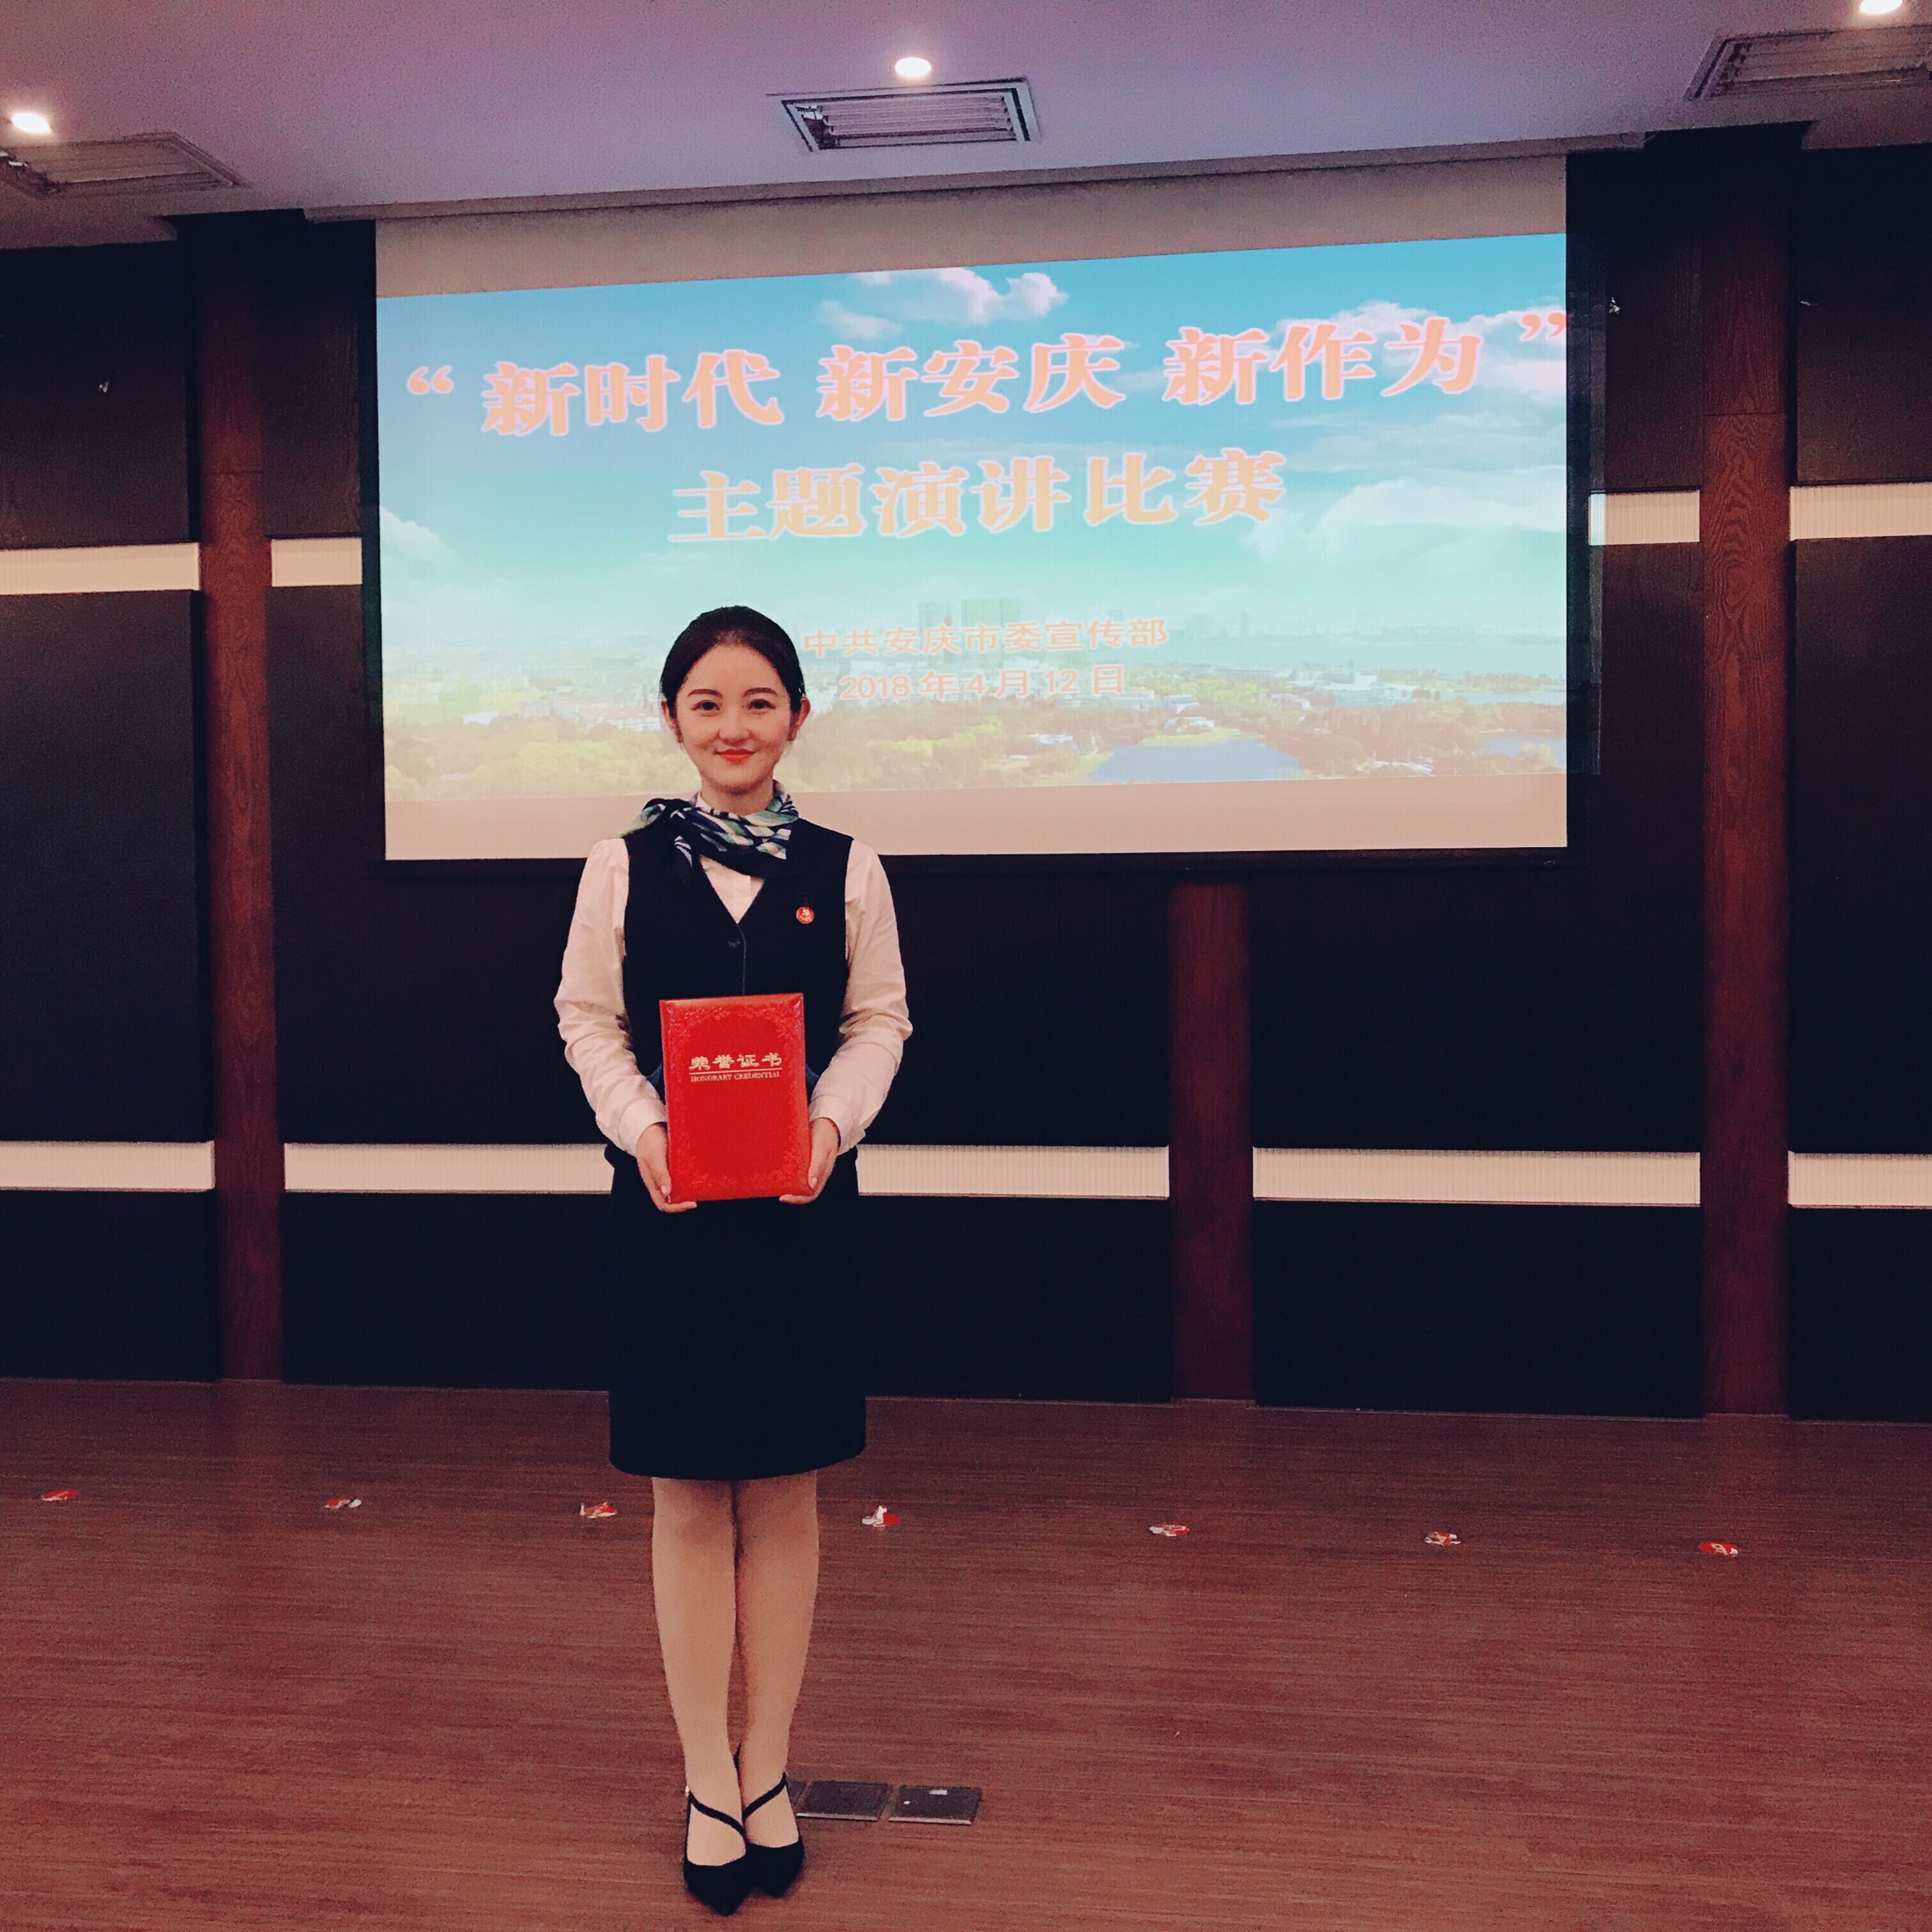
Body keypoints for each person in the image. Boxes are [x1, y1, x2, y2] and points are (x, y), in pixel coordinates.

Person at [555, 606, 910, 1915]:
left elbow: (880, 1021)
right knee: (690, 1498)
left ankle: (770, 1767)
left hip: (803, 1216)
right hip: (671, 1222)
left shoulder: (848, 867)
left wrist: (830, 1124)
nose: (734, 726)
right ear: (672, 720)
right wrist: (644, 1129)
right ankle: (708, 1778)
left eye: (759, 701)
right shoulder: (620, 866)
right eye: (707, 703)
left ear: (798, 718)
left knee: (787, 1493)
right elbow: (586, 1021)